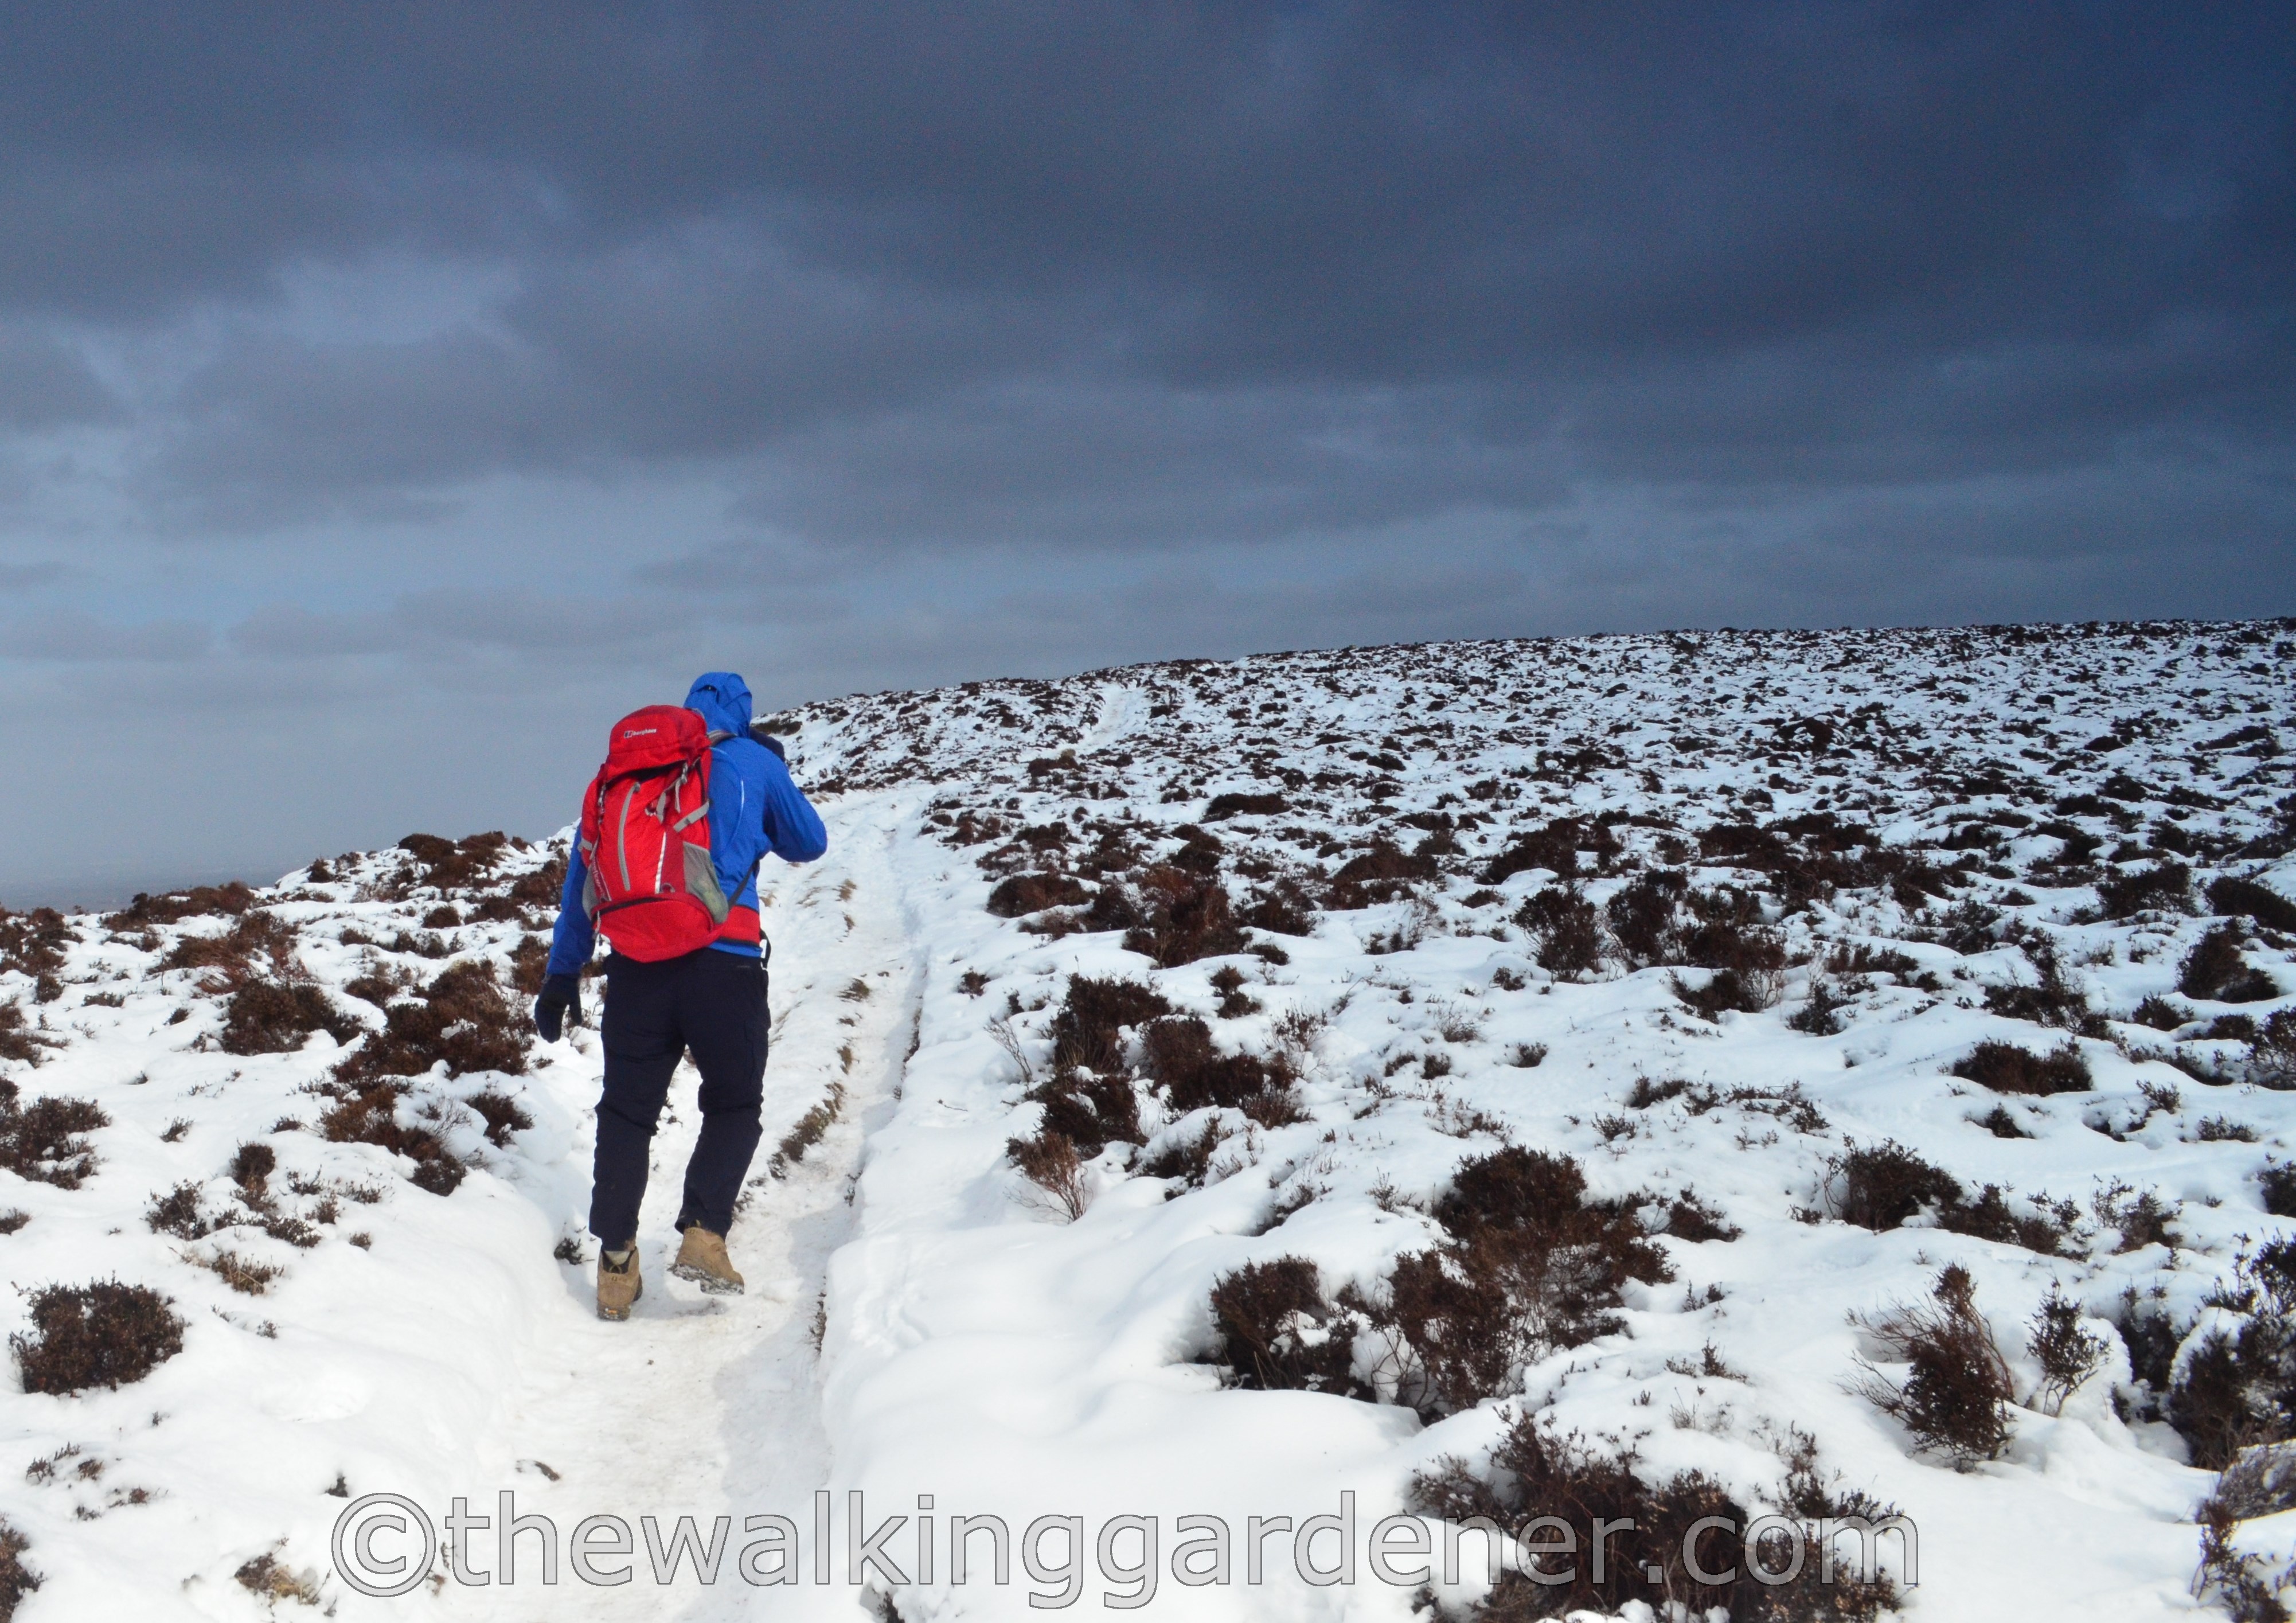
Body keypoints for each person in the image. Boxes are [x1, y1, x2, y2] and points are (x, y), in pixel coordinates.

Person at [532, 672, 827, 1320]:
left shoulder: (621, 776)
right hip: (725, 966)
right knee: (733, 1101)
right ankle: (703, 1231)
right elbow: (810, 841)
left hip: (638, 968)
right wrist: (769, 777)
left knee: (627, 1112)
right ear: (743, 717)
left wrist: (561, 973)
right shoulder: (751, 762)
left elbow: (582, 878)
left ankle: (615, 1266)